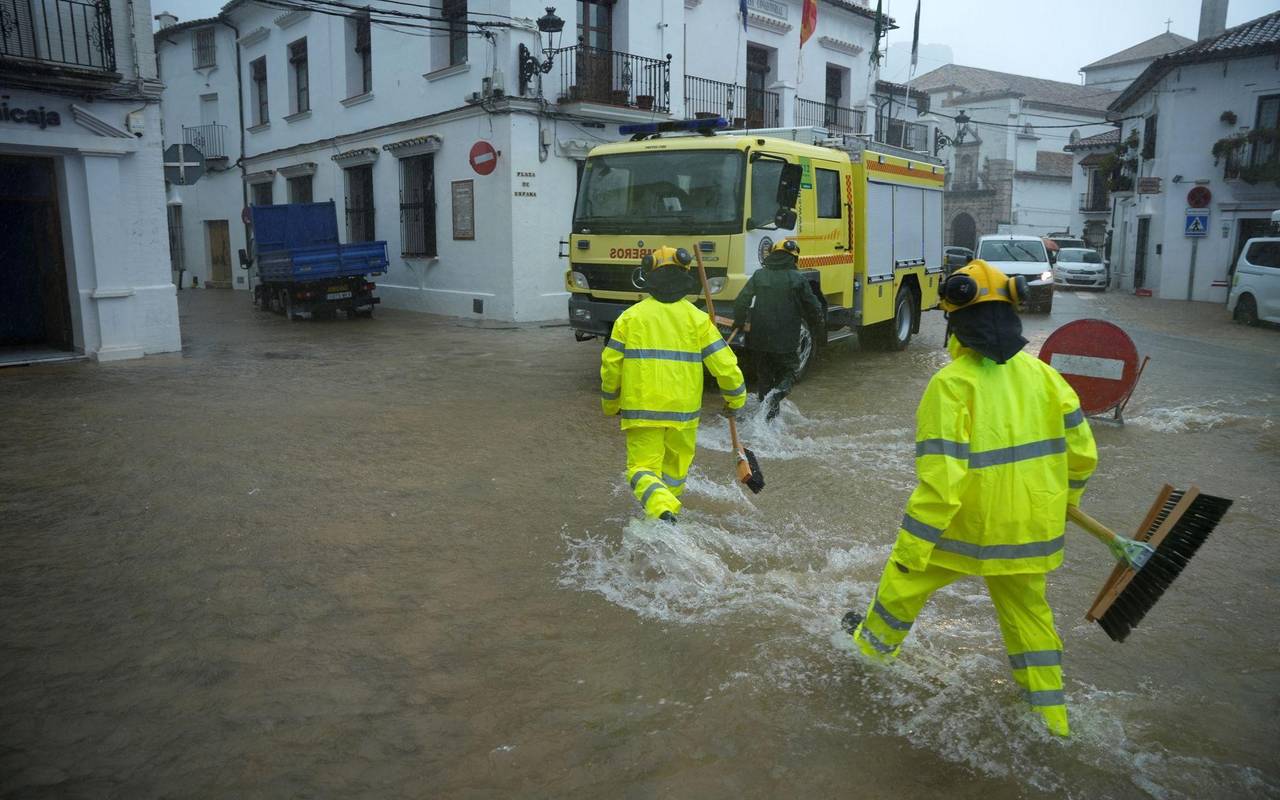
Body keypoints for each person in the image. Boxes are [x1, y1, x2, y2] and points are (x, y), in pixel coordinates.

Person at [841, 259, 1097, 737]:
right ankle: (1053, 722)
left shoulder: (951, 384)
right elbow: (1083, 456)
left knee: (901, 589)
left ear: (956, 322)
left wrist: (911, 551)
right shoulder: (1046, 378)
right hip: (1030, 533)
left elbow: (942, 482)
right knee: (1031, 622)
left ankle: (867, 658)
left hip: (963, 530)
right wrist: (1064, 503)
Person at [600, 246, 747, 523]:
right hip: (684, 414)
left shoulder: (630, 318)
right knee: (675, 473)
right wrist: (736, 399)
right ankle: (665, 516)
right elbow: (726, 365)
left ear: (649, 276)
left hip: (641, 411)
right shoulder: (697, 319)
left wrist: (610, 403)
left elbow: (610, 366)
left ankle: (660, 510)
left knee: (641, 469)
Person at [731, 239, 824, 421]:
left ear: (772, 255)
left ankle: (765, 421)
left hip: (758, 340)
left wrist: (739, 322)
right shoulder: (798, 279)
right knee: (790, 372)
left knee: (764, 378)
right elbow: (814, 308)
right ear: (793, 258)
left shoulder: (759, 275)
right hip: (785, 340)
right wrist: (818, 326)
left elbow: (741, 301)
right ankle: (777, 396)